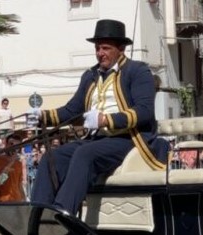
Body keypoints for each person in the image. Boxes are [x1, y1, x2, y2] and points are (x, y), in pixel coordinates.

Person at [31, 19, 168, 215]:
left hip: (127, 139)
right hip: (96, 139)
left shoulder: (138, 71)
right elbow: (72, 111)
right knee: (52, 157)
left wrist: (107, 120)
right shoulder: (90, 75)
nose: (99, 53)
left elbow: (144, 111)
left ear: (120, 49)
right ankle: (38, 214)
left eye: (105, 48)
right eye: (97, 48)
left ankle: (63, 212)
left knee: (85, 154)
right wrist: (42, 116)